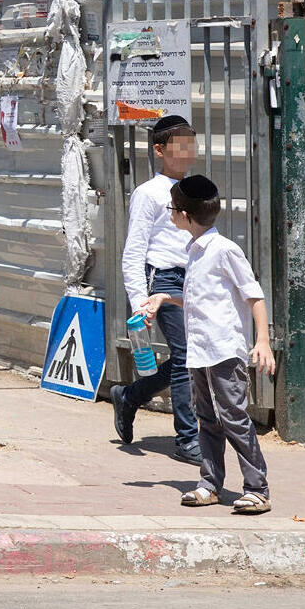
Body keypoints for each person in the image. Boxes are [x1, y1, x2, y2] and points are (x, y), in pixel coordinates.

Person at [141, 175, 274, 514]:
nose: (170, 215)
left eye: (172, 209)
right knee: (207, 418)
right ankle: (210, 484)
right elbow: (197, 300)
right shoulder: (194, 251)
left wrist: (262, 341)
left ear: (185, 215)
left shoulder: (224, 249)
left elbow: (254, 295)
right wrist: (163, 298)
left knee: (234, 417)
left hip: (224, 351)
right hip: (199, 351)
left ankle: (257, 488)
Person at [113, 115, 202, 465]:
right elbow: (133, 251)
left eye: (190, 142)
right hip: (162, 280)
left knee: (190, 356)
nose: (186, 150)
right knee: (185, 356)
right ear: (160, 150)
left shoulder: (197, 188)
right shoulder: (148, 193)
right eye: (178, 144)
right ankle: (187, 439)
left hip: (193, 280)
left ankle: (130, 396)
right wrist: (139, 303)